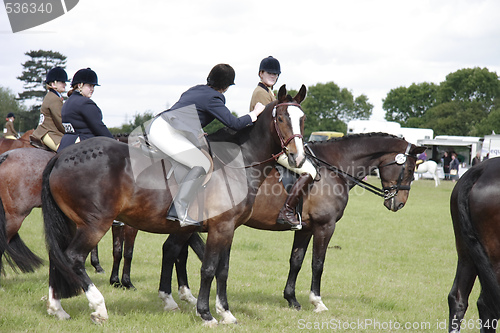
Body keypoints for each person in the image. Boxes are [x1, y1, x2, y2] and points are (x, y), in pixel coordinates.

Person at [148, 64, 265, 227]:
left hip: (158, 125)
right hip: (167, 132)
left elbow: (187, 114)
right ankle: (179, 209)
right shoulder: (214, 98)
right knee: (201, 163)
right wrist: (255, 113)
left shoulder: (195, 90)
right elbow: (234, 124)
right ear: (226, 86)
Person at [250, 56, 316, 230]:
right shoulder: (261, 93)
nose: (273, 76)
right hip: (268, 149)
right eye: (269, 73)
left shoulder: (269, 92)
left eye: (275, 74)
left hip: (273, 146)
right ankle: (286, 211)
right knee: (309, 170)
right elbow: (267, 125)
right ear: (260, 74)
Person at [58, 68, 113, 151]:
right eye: (90, 86)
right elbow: (99, 127)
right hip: (85, 146)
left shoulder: (67, 102)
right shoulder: (85, 103)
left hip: (65, 144)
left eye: (93, 86)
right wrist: (113, 142)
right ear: (80, 85)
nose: (92, 89)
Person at [32, 67, 69, 151]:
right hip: (48, 133)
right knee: (66, 151)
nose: (65, 84)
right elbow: (60, 121)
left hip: (51, 132)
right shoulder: (54, 98)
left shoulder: (53, 96)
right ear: (53, 84)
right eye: (62, 82)